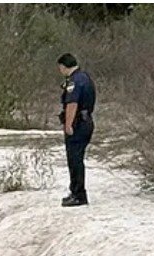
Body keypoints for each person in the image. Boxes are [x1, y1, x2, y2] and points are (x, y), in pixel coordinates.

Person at [57, 53, 96, 207]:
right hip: (86, 121)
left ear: (63, 66)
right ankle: (76, 192)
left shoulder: (74, 81)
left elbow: (72, 104)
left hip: (78, 124)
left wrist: (68, 124)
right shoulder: (84, 77)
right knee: (76, 158)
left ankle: (78, 195)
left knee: (74, 159)